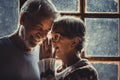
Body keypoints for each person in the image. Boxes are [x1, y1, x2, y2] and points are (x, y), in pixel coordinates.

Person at [0, 0, 58, 80]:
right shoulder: (2, 48)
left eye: (47, 30)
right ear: (23, 19)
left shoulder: (44, 56)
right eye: (39, 27)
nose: (43, 36)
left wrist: (48, 68)